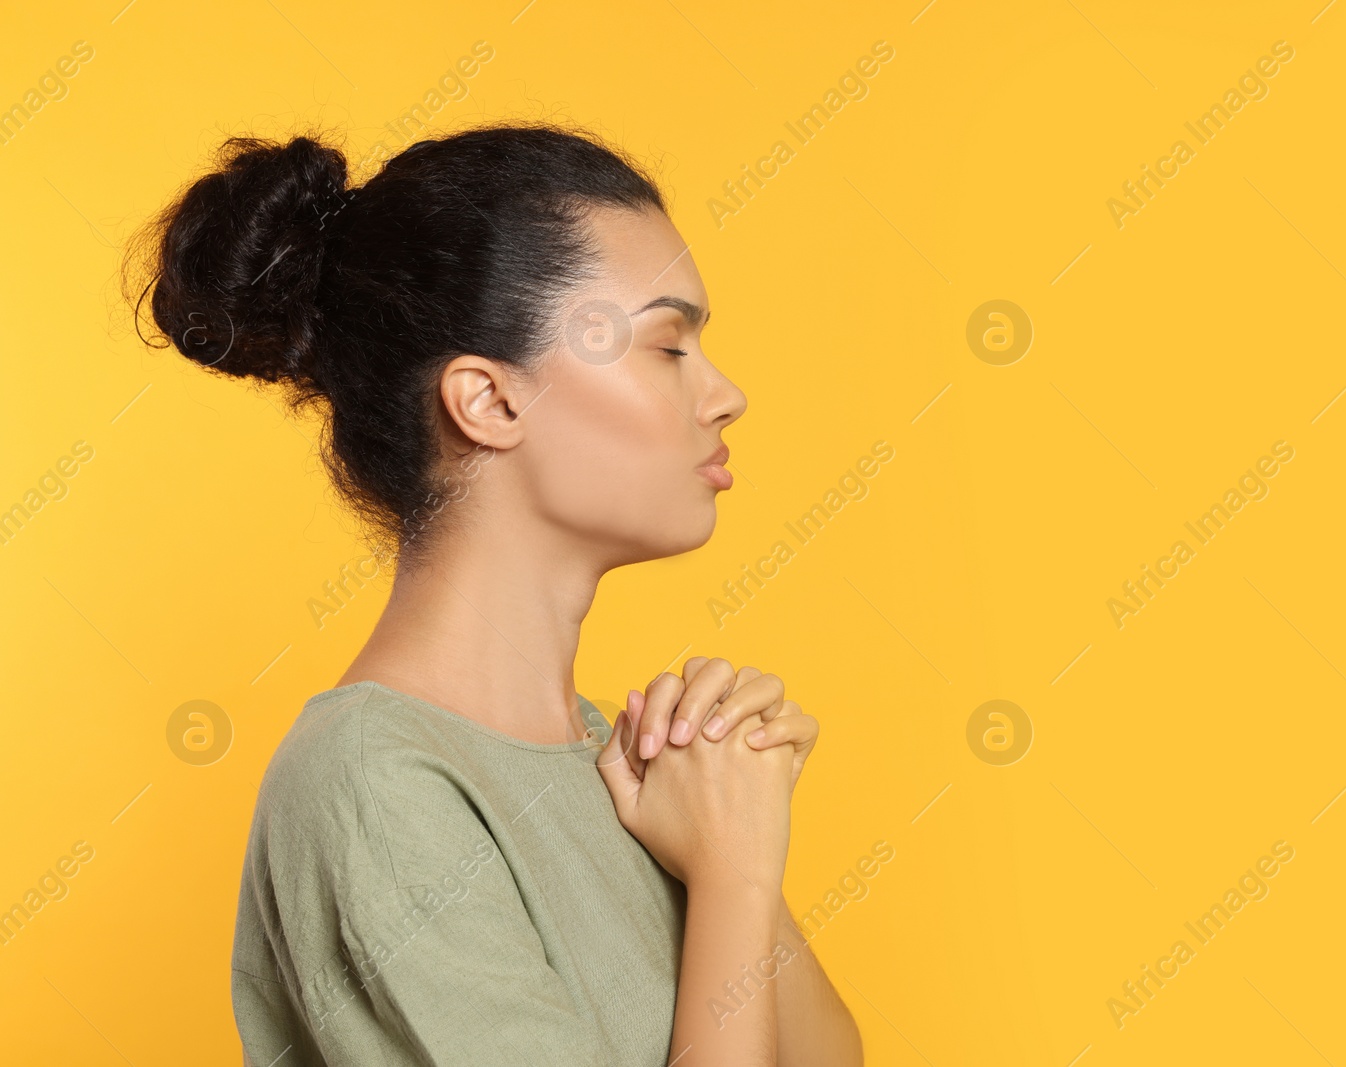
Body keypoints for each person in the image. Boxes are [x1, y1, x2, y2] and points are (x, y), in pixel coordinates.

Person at [127, 123, 862, 1066]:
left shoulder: (623, 759)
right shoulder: (372, 785)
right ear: (490, 401)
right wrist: (733, 871)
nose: (726, 395)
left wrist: (738, 840)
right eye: (668, 346)